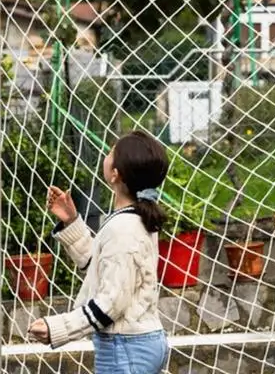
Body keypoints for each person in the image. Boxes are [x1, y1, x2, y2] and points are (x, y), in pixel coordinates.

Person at [28, 130, 170, 374]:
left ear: (116, 174)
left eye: (111, 152)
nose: (106, 154)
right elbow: (103, 267)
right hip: (136, 343)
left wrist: (58, 327)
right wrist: (72, 223)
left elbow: (111, 303)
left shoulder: (123, 227)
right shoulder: (133, 219)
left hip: (125, 348)